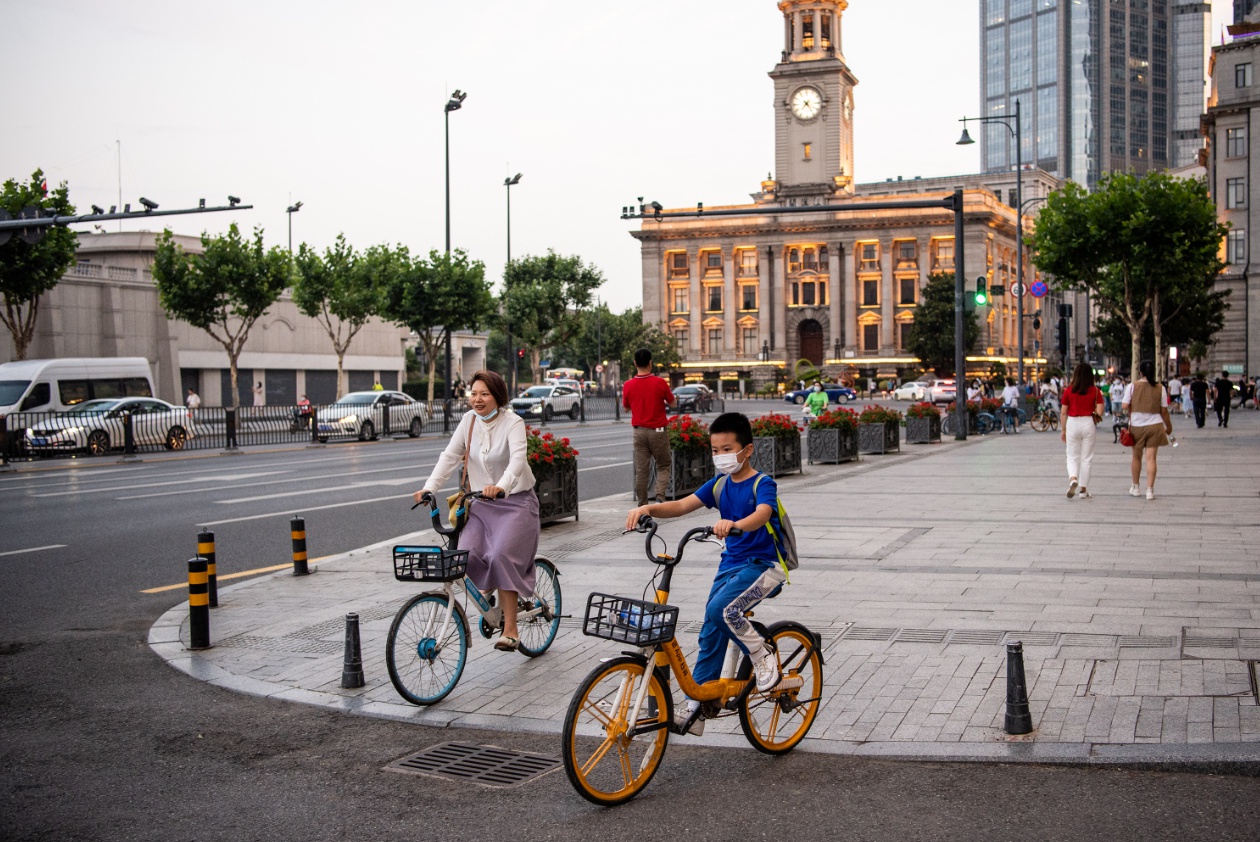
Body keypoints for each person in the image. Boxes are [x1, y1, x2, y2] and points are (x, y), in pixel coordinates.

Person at [624, 412, 786, 736]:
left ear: (747, 450)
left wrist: (736, 524)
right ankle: (699, 701)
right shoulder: (720, 485)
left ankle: (762, 654)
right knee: (710, 628)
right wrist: (648, 508)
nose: (720, 456)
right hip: (732, 565)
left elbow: (763, 513)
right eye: (715, 450)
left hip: (763, 567)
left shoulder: (761, 483)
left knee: (721, 611)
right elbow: (683, 505)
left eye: (727, 449)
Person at [413, 369, 539, 651]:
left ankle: (511, 629)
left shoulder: (513, 422)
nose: (477, 399)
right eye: (474, 394)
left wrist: (502, 485)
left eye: (484, 394)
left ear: (498, 397)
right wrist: (429, 487)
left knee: (500, 555)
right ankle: (491, 592)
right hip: (481, 505)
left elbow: (518, 460)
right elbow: (449, 456)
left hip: (516, 503)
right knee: (465, 557)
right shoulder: (469, 421)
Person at [622, 348, 676, 507]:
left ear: (635, 363)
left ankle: (642, 504)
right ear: (650, 363)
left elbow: (625, 408)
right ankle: (660, 495)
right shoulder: (660, 383)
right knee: (664, 464)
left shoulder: (628, 385)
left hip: (639, 432)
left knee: (641, 470)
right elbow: (673, 403)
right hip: (658, 431)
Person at [1121, 360, 1173, 501]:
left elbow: (1124, 405)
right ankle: (1150, 490)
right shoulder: (1160, 388)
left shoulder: (1132, 386)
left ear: (1141, 372)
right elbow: (1164, 411)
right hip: (1155, 426)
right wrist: (1169, 427)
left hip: (1136, 426)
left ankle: (1136, 487)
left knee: (1136, 457)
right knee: (1151, 459)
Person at [1060, 361, 1104, 500]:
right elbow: (1100, 412)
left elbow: (1063, 413)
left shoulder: (1069, 390)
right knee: (1086, 457)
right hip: (1088, 423)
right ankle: (1083, 490)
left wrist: (1063, 430)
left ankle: (1073, 478)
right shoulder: (1095, 391)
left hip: (1072, 423)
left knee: (1072, 455)